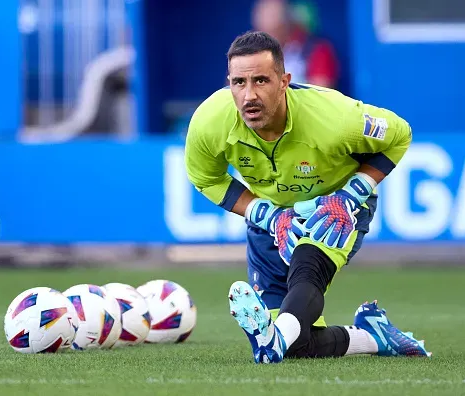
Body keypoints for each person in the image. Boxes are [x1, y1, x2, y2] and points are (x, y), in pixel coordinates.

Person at [184, 31, 431, 363]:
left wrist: (350, 194)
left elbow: (399, 134)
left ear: (284, 81)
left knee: (307, 267)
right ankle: (373, 335)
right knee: (298, 347)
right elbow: (205, 178)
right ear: (228, 83)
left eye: (261, 81)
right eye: (239, 83)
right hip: (271, 216)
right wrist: (265, 214)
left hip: (335, 207)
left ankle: (273, 340)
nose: (249, 95)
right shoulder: (209, 122)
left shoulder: (336, 119)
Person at [251, 0, 339, 88]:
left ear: (287, 23)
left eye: (274, 29)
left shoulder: (315, 49)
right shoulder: (253, 54)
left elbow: (321, 92)